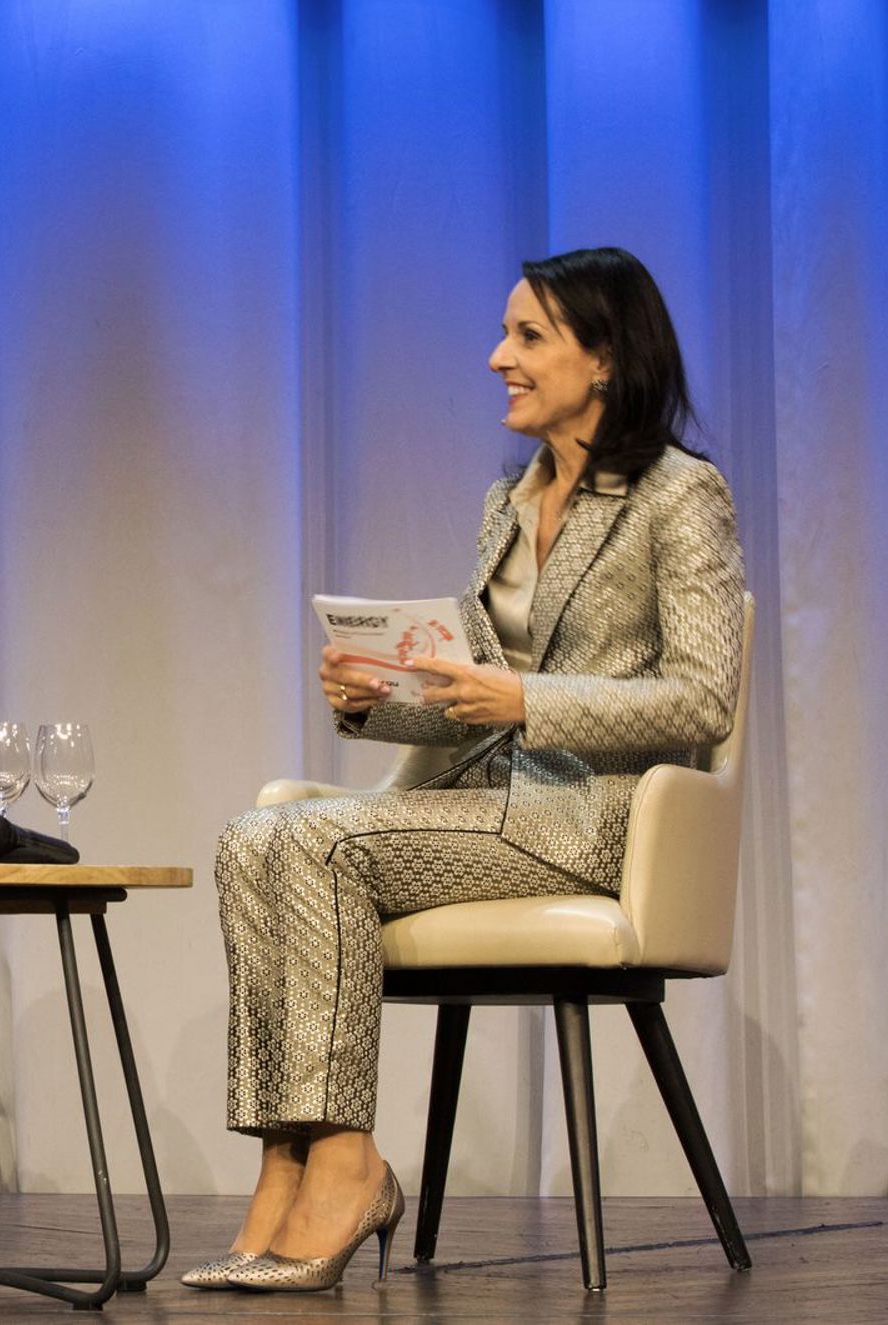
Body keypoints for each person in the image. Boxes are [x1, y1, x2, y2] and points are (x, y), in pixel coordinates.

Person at [185, 247, 745, 1293]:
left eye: (527, 336)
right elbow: (473, 692)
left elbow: (701, 696)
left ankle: (347, 1166)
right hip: (479, 805)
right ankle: (285, 1161)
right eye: (503, 333)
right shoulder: (509, 499)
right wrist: (378, 696)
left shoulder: (679, 494)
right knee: (248, 840)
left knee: (315, 844)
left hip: (590, 819)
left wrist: (530, 700)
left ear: (605, 357)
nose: (498, 357)